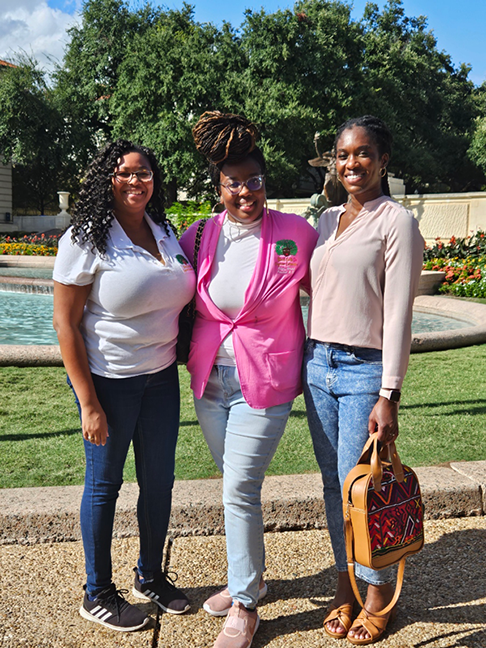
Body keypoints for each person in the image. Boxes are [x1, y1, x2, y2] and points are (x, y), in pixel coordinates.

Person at [179, 111, 318, 648]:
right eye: (234, 183)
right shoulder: (199, 235)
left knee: (239, 487)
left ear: (267, 183)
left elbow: (325, 293)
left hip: (267, 379)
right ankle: (254, 577)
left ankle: (244, 604)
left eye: (254, 181)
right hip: (210, 380)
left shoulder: (295, 234)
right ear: (218, 187)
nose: (245, 192)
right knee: (238, 487)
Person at [53, 139, 194, 632]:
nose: (136, 181)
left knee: (159, 483)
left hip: (160, 380)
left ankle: (149, 576)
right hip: (110, 383)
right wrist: (88, 403)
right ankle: (97, 593)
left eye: (145, 173)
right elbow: (66, 325)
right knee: (104, 486)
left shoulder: (165, 229)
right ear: (106, 179)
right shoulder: (86, 238)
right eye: (125, 172)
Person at [303, 115, 424, 645]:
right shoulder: (327, 221)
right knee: (335, 485)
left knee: (366, 490)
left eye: (362, 153)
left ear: (383, 160)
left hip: (363, 371)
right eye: (343, 154)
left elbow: (399, 312)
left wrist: (389, 392)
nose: (352, 163)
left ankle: (377, 597)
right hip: (316, 365)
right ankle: (345, 585)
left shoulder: (396, 222)